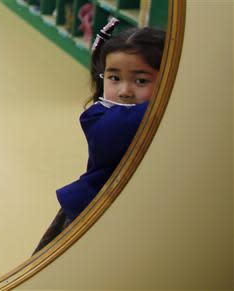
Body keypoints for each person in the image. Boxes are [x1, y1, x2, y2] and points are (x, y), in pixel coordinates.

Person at [33, 19, 166, 255]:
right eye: (114, 78)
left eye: (141, 81)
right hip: (93, 209)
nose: (125, 90)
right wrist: (166, 100)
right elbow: (117, 132)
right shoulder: (97, 116)